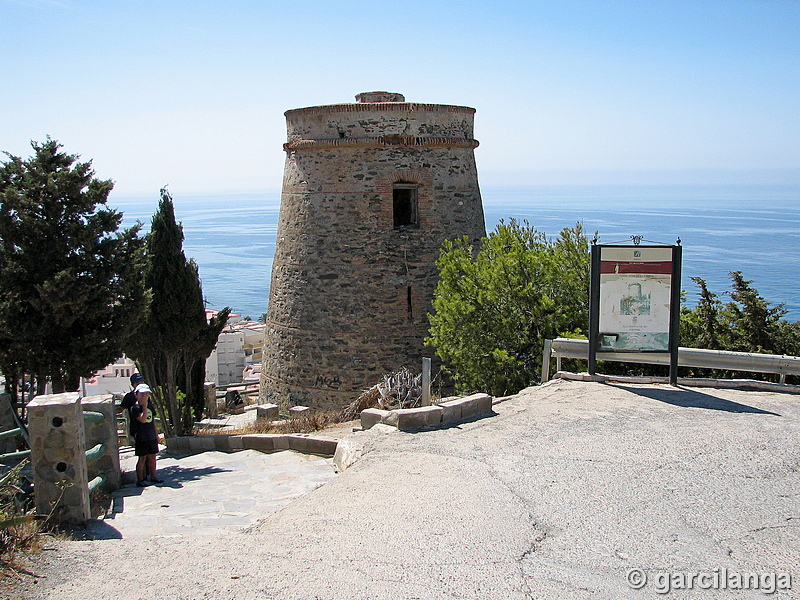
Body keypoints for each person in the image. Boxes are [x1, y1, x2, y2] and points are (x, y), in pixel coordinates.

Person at [129, 383, 163, 487]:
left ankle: (153, 476)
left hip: (150, 435)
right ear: (136, 395)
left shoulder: (150, 407)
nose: (145, 396)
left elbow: (152, 421)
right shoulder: (135, 408)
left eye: (147, 394)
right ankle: (140, 479)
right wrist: (143, 406)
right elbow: (143, 420)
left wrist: (156, 435)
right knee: (142, 458)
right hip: (141, 436)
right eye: (142, 394)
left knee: (152, 457)